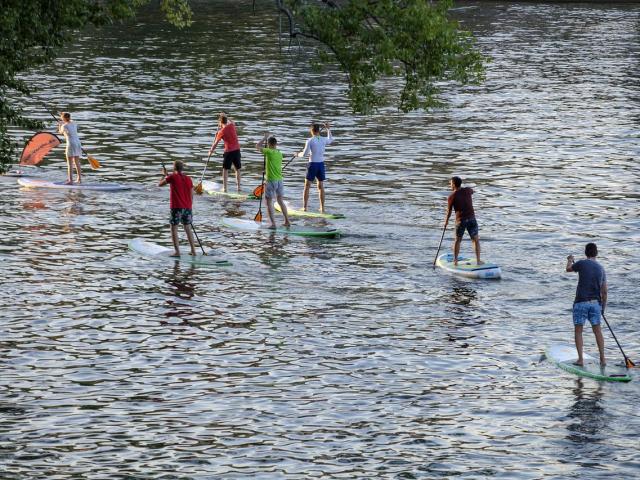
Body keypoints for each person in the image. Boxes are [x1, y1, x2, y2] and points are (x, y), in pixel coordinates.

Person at [566, 243, 607, 366]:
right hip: (595, 304)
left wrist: (570, 260)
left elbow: (568, 269)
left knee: (578, 331)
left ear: (586, 253)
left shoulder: (582, 263)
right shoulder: (601, 268)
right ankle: (603, 359)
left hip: (581, 302)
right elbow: (604, 291)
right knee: (597, 331)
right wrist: (602, 308)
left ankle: (580, 360)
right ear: (596, 253)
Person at [159, 160, 198, 257]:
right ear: (182, 168)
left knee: (173, 229)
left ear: (174, 168)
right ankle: (193, 250)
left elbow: (160, 184)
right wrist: (189, 206)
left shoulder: (172, 177)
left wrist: (164, 175)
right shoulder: (188, 179)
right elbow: (191, 193)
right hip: (188, 207)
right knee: (188, 228)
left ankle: (177, 252)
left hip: (176, 207)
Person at [444, 176, 482, 266]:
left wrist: (446, 222)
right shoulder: (468, 190)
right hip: (472, 219)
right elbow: (472, 191)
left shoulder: (451, 197)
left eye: (450, 183)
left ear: (453, 184)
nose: (450, 185)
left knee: (457, 240)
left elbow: (449, 212)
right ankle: (478, 261)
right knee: (475, 240)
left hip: (461, 221)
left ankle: (455, 261)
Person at [256, 133, 290, 229]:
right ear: (276, 144)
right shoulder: (279, 153)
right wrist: (266, 170)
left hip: (271, 181)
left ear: (269, 144)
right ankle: (287, 221)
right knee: (280, 201)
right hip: (280, 180)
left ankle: (273, 224)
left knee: (268, 202)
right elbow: (273, 164)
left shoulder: (269, 152)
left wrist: (264, 138)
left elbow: (257, 146)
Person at [297, 122, 333, 213]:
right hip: (321, 165)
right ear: (318, 130)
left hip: (312, 165)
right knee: (321, 186)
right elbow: (330, 140)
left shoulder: (310, 140)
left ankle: (304, 207)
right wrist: (328, 129)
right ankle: (322, 208)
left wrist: (297, 154)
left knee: (307, 186)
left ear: (312, 131)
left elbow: (304, 154)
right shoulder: (324, 139)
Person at [209, 113, 241, 192]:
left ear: (220, 122)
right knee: (237, 169)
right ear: (227, 121)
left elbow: (215, 143)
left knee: (225, 169)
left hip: (229, 152)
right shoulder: (232, 126)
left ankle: (225, 188)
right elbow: (232, 122)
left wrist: (210, 151)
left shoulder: (221, 132)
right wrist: (226, 116)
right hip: (237, 150)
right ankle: (239, 187)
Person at [57, 112, 83, 184]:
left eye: (61, 117)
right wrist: (63, 121)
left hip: (71, 144)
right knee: (77, 162)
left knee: (70, 163)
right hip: (78, 143)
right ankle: (79, 179)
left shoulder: (64, 126)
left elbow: (60, 132)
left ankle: (70, 180)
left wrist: (59, 125)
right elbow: (69, 121)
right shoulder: (74, 123)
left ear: (63, 118)